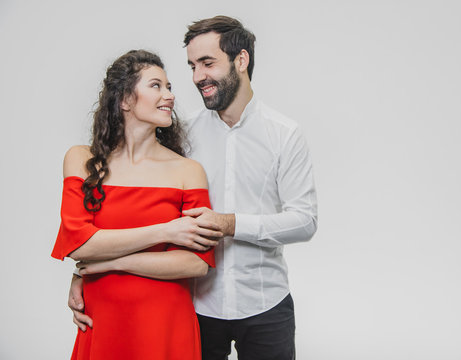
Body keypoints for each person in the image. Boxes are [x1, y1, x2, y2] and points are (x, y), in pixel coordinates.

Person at [69, 16, 318, 360]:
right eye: (192, 66)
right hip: (195, 307)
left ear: (241, 61)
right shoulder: (181, 139)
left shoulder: (284, 134)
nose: (197, 76)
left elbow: (304, 221)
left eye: (207, 63)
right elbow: (135, 215)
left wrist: (231, 224)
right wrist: (85, 275)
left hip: (265, 304)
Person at [52, 49, 222, 360]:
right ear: (124, 100)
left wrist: (113, 263)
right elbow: (79, 244)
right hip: (103, 322)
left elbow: (197, 263)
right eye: (156, 85)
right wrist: (166, 231)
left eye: (169, 87)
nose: (169, 95)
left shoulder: (188, 171)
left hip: (166, 323)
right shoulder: (80, 160)